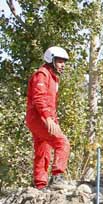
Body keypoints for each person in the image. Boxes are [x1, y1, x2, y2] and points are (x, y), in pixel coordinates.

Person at [25, 46, 72, 190]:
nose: (63, 64)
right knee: (62, 143)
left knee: (42, 149)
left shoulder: (52, 77)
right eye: (59, 61)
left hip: (39, 118)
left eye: (64, 62)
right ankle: (57, 176)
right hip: (39, 118)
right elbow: (39, 99)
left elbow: (50, 103)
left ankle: (40, 184)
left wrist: (53, 119)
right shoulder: (42, 75)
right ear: (50, 60)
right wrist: (48, 118)